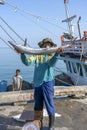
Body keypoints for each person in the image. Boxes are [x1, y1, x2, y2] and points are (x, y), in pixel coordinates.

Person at [16, 38, 64, 130]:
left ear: (51, 46)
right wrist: (22, 53)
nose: (46, 46)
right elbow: (27, 62)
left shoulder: (51, 55)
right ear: (42, 46)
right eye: (45, 44)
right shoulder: (37, 56)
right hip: (37, 83)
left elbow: (52, 64)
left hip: (47, 83)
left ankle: (51, 126)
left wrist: (57, 53)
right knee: (37, 105)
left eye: (48, 44)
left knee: (49, 103)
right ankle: (38, 123)